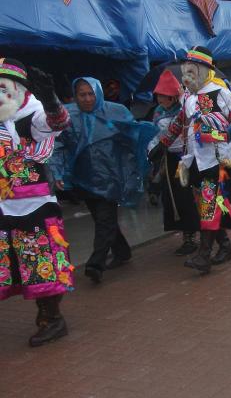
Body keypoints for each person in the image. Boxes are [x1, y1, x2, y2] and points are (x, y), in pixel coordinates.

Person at [148, 47, 231, 274]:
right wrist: (163, 145)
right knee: (208, 205)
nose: (188, 75)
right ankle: (225, 246)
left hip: (217, 160)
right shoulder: (188, 96)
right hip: (193, 160)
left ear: (204, 70)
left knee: (208, 204)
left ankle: (204, 254)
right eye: (186, 70)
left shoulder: (220, 92)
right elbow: (180, 122)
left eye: (192, 70)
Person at [51, 77, 156, 284]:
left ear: (98, 93)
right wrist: (57, 172)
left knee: (105, 219)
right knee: (102, 219)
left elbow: (133, 136)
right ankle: (122, 251)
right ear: (75, 95)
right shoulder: (68, 115)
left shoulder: (115, 111)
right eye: (82, 94)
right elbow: (57, 146)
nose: (88, 99)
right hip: (84, 178)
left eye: (91, 94)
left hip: (111, 177)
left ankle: (95, 264)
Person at [0, 60, 74, 347]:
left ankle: (52, 319)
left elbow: (58, 123)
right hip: (4, 206)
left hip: (34, 206)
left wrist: (52, 101)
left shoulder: (32, 115)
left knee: (40, 265)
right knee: (16, 266)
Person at [148, 70, 200, 255]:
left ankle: (196, 234)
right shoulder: (158, 112)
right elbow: (155, 134)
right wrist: (152, 149)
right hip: (168, 158)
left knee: (189, 196)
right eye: (159, 96)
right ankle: (187, 234)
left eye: (164, 96)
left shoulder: (186, 108)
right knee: (175, 198)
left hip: (188, 157)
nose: (160, 100)